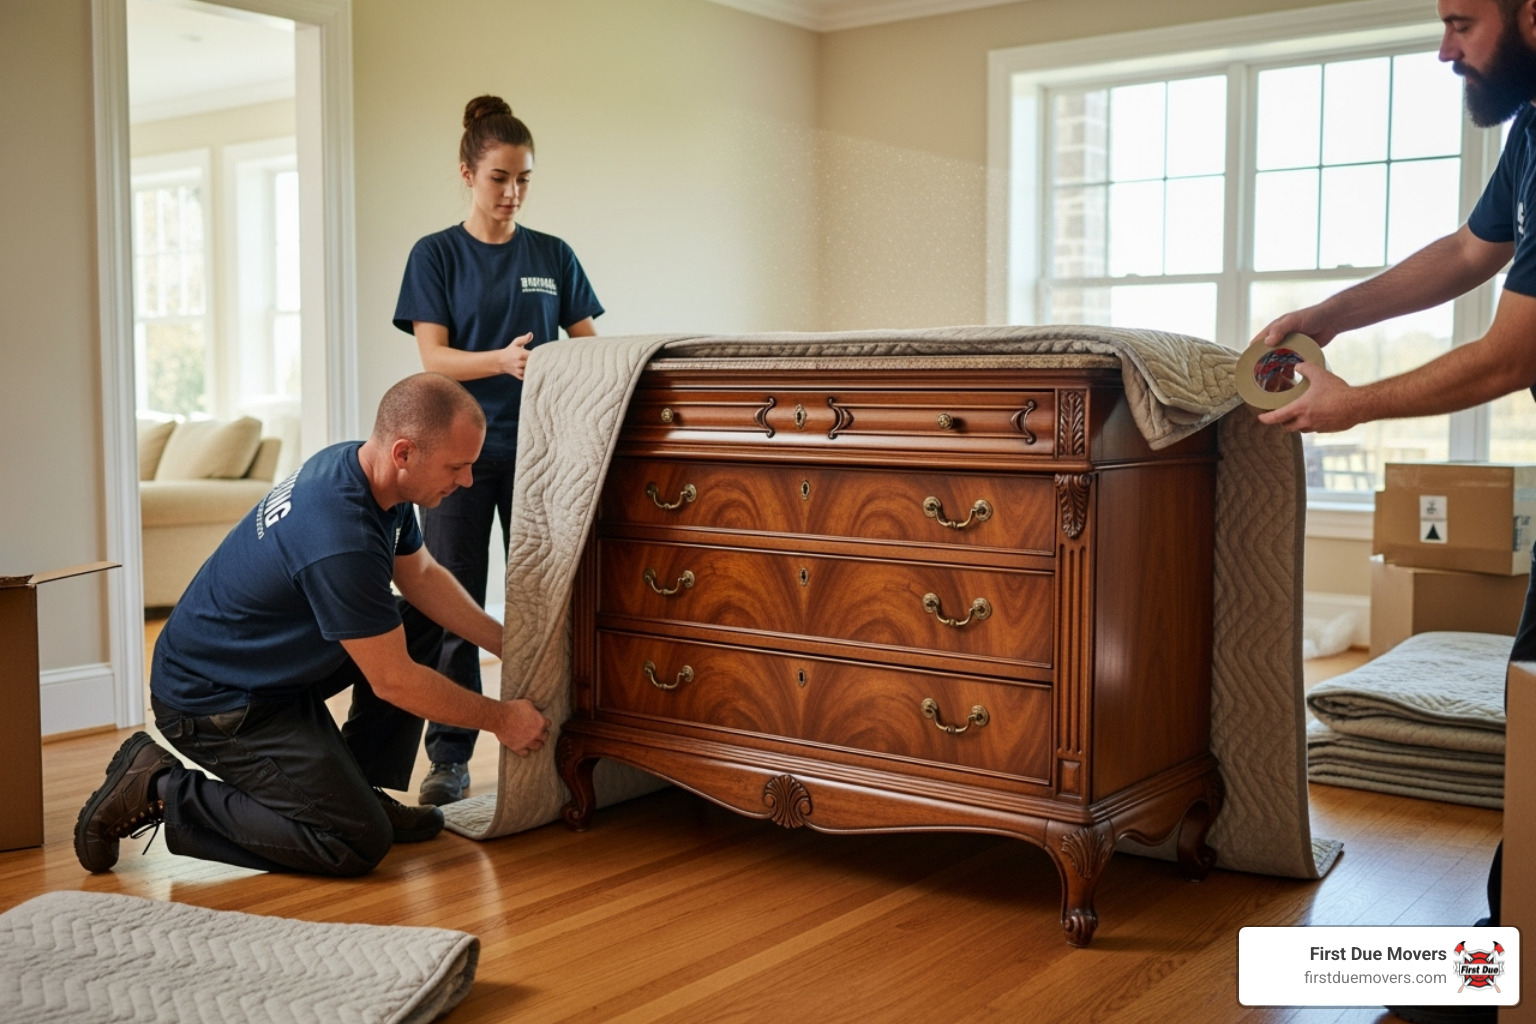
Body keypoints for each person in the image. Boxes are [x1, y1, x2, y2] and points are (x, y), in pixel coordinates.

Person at [1255, 2, 1536, 1019]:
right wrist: (1330, 316)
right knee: (1532, 712)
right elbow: (1468, 253)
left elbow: (1513, 353)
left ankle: (1502, 969)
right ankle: (1503, 956)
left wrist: (1351, 405)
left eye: (1463, 20)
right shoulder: (1531, 125)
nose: (1445, 48)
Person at [74, 373, 552, 878]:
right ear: (404, 453)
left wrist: (507, 642)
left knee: (412, 621)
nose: (468, 481)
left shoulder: (365, 472)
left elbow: (424, 577)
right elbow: (394, 681)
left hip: (262, 669)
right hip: (215, 703)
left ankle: (354, 788)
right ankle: (160, 787)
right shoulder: (340, 534)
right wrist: (502, 719)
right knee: (356, 841)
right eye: (457, 466)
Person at [392, 95, 603, 807]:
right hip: (458, 461)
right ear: (466, 174)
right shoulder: (437, 255)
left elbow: (589, 350)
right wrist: (503, 364)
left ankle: (558, 731)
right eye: (499, 179)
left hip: (543, 457)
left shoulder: (554, 255)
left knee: (545, 597)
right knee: (454, 597)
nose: (511, 194)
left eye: (524, 181)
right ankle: (448, 757)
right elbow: (433, 357)